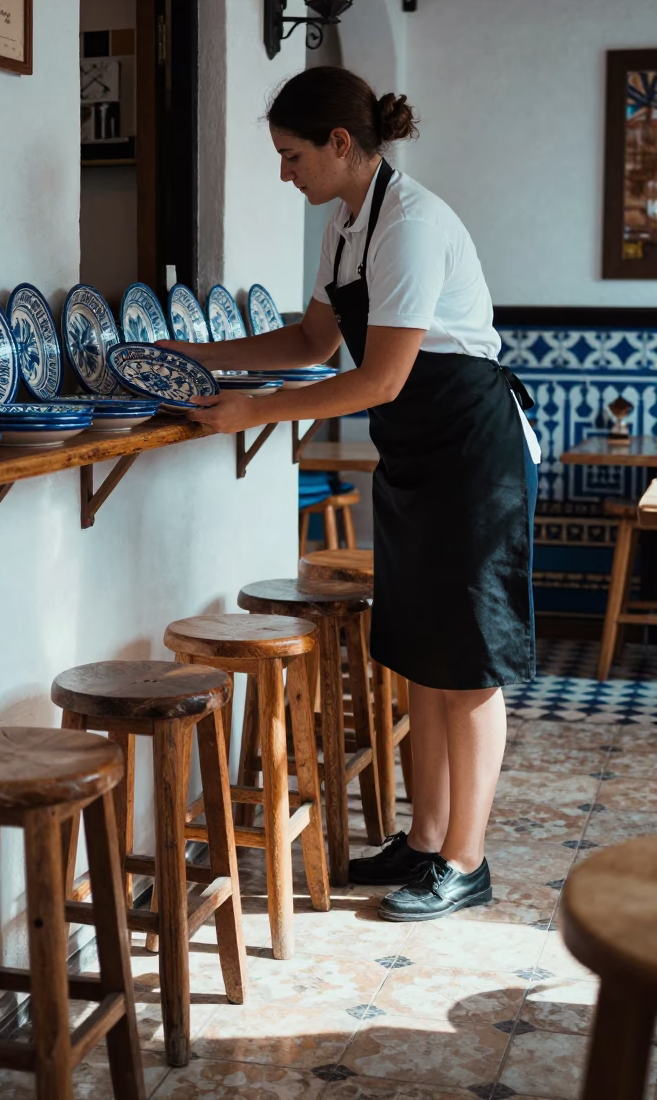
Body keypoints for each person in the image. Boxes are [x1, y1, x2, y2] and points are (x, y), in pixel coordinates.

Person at [165, 66, 539, 922]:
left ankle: (466, 861)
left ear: (341, 144)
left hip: (472, 455)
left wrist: (252, 412)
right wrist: (199, 356)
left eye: (292, 156)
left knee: (470, 667)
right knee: (423, 657)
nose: (283, 174)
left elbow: (380, 377)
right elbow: (308, 338)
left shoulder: (410, 224)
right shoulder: (346, 225)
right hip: (417, 452)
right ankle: (427, 840)